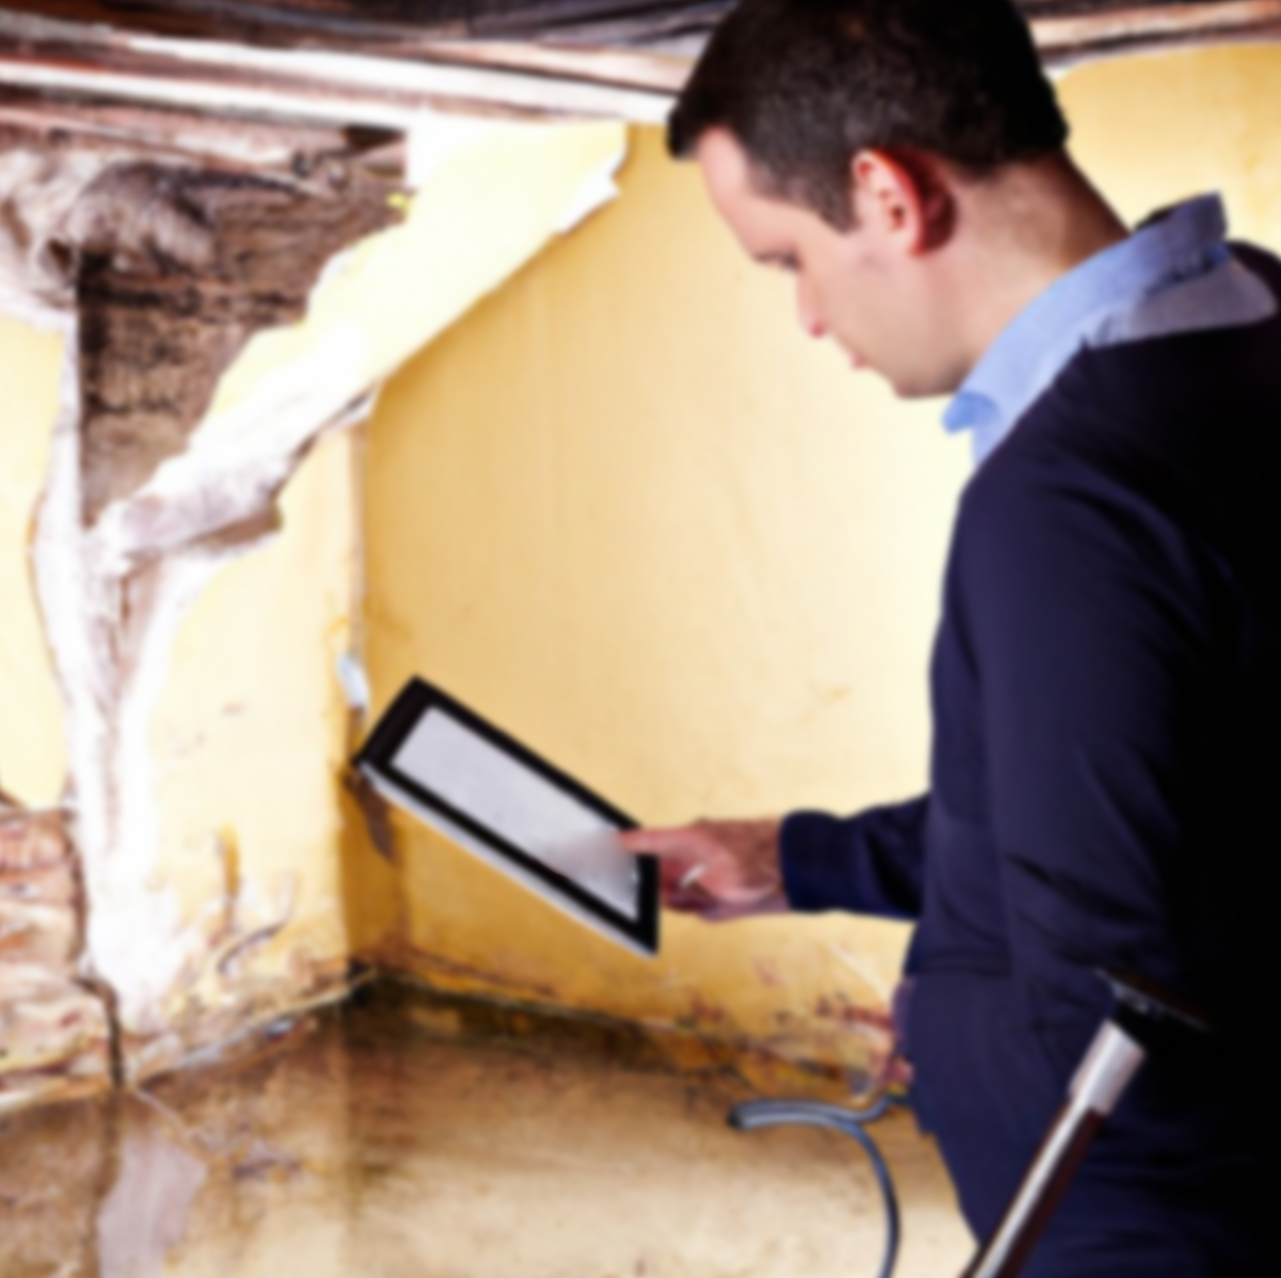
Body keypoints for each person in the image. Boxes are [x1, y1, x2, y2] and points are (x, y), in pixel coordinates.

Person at [618, 1, 1281, 1273]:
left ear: (886, 194)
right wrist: (799, 859)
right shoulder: (1248, 324)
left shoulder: (1070, 496)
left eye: (787, 259)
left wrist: (948, 1009)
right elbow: (1169, 814)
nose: (809, 317)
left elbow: (1120, 1022)